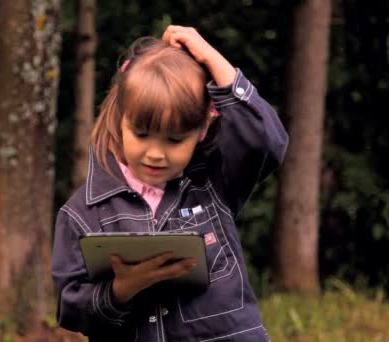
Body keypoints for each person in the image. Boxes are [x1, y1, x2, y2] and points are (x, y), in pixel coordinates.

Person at [51, 25, 288, 341]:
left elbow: (267, 141)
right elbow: (70, 308)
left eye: (174, 140)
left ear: (203, 128)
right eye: (142, 134)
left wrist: (210, 57)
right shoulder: (82, 213)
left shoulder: (214, 182)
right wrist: (120, 290)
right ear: (122, 119)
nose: (155, 154)